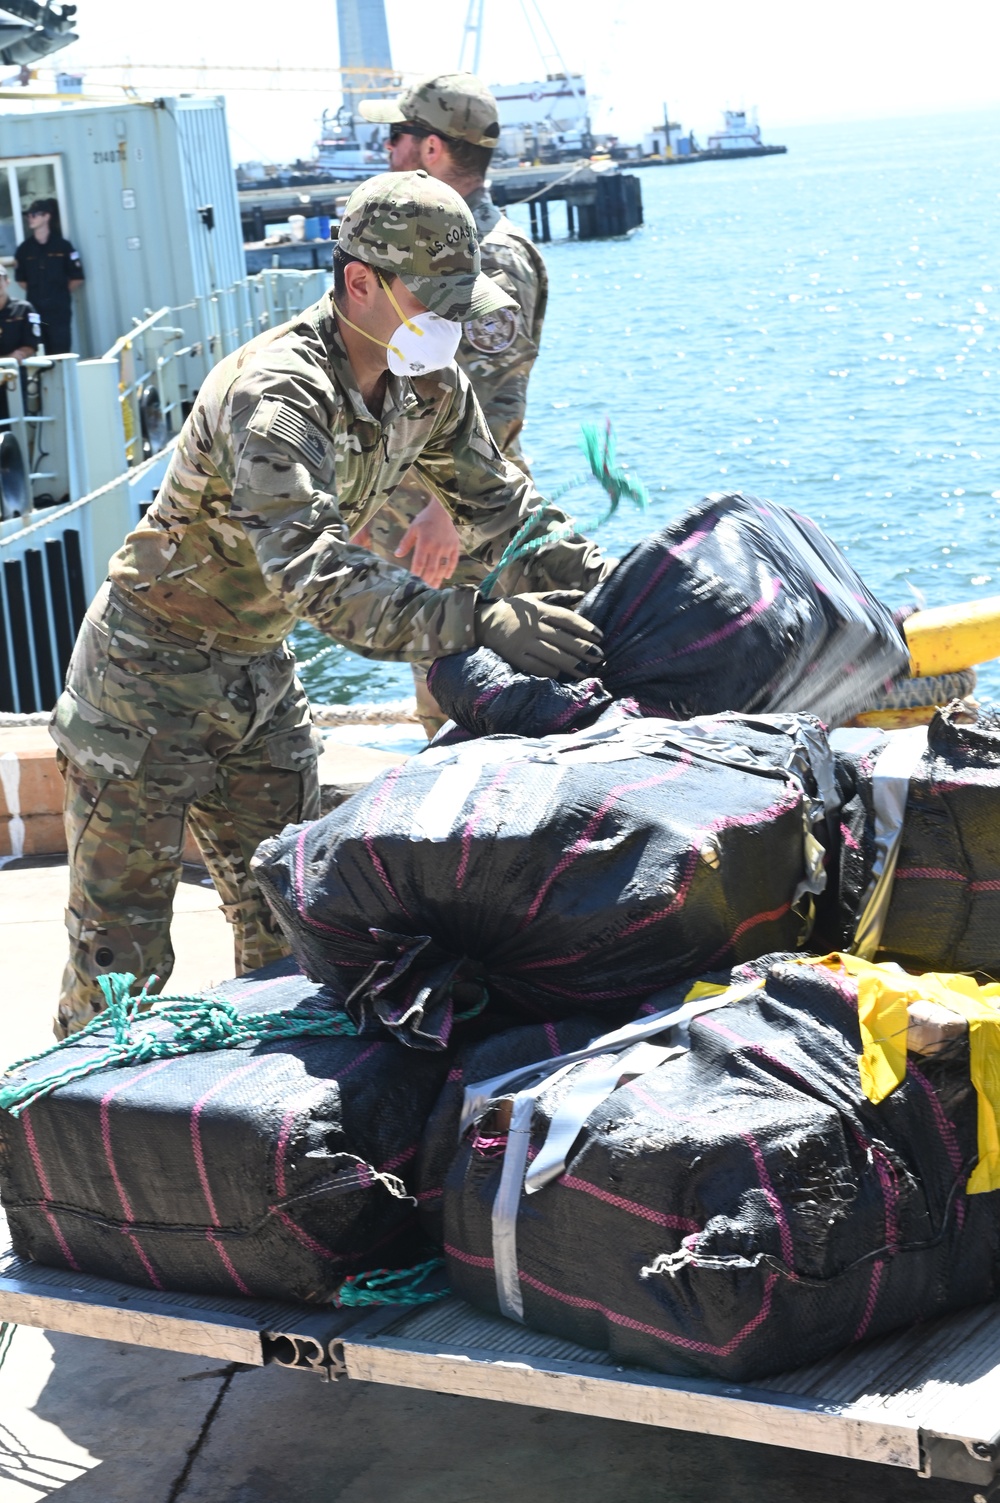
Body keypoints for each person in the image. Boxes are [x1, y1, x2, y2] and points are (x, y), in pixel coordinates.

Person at [50, 169, 609, 1037]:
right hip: (142, 683)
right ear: (359, 282)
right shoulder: (276, 400)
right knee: (119, 965)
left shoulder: (429, 385)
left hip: (256, 681)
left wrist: (604, 583)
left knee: (295, 935)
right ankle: (59, 1154)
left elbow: (503, 511)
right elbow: (319, 579)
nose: (452, 324)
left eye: (463, 302)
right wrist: (480, 619)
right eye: (436, 300)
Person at [359, 72, 550, 736]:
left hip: (467, 540)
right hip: (429, 541)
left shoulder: (492, 260)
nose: (385, 152)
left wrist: (443, 510)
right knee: (442, 712)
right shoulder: (438, 248)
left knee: (485, 725)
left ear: (432, 150)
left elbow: (495, 401)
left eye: (395, 137)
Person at [14, 198, 84, 355]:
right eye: (28, 215)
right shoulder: (25, 249)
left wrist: (58, 293)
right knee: (38, 350)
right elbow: (21, 280)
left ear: (47, 216)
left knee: (61, 350)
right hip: (35, 309)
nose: (30, 218)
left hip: (58, 310)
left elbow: (77, 277)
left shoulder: (63, 246)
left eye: (34, 215)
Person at [0, 266, 40, 418]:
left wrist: (16, 356)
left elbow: (31, 344)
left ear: (7, 281)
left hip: (14, 379)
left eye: (0, 279)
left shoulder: (24, 309)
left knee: (15, 426)